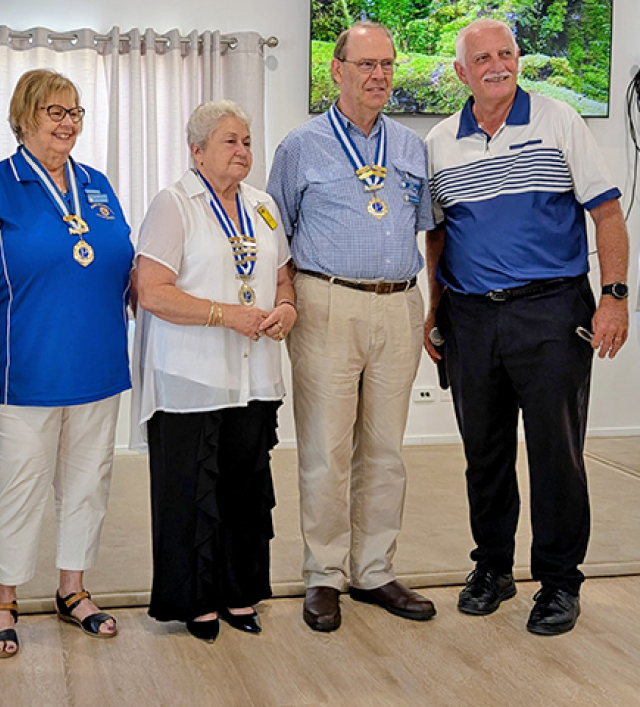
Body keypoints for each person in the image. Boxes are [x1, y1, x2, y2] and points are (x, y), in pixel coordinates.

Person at [424, 18, 630, 636]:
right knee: (482, 453)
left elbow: (608, 212)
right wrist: (434, 311)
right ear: (461, 73)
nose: (497, 65)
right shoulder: (437, 141)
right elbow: (438, 235)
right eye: (482, 57)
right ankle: (491, 568)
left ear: (519, 59)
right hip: (470, 316)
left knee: (555, 453)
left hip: (552, 310)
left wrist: (615, 296)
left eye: (506, 53)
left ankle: (560, 582)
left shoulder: (558, 120)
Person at [0, 69, 133, 657]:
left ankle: (72, 591)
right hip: (24, 374)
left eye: (75, 112)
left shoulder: (98, 184)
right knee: (18, 488)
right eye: (55, 111)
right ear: (24, 116)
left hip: (98, 367)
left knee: (87, 486)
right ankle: (5, 599)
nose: (68, 123)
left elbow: (121, 260)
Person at [266, 21, 437, 633]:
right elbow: (274, 234)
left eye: (387, 65)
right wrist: (283, 301)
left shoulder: (413, 147)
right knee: (326, 448)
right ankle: (323, 573)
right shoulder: (300, 146)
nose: (379, 76)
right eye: (365, 65)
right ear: (336, 70)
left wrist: (433, 305)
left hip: (399, 302)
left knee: (386, 450)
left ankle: (374, 569)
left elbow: (428, 225)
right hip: (326, 302)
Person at [133, 99, 296, 642]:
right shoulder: (174, 204)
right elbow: (150, 292)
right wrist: (225, 316)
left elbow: (283, 279)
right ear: (197, 150)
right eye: (230, 141)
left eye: (247, 141)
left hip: (254, 376)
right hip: (191, 377)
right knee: (190, 492)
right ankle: (195, 601)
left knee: (245, 490)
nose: (243, 151)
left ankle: (239, 592)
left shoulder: (264, 204)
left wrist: (287, 310)